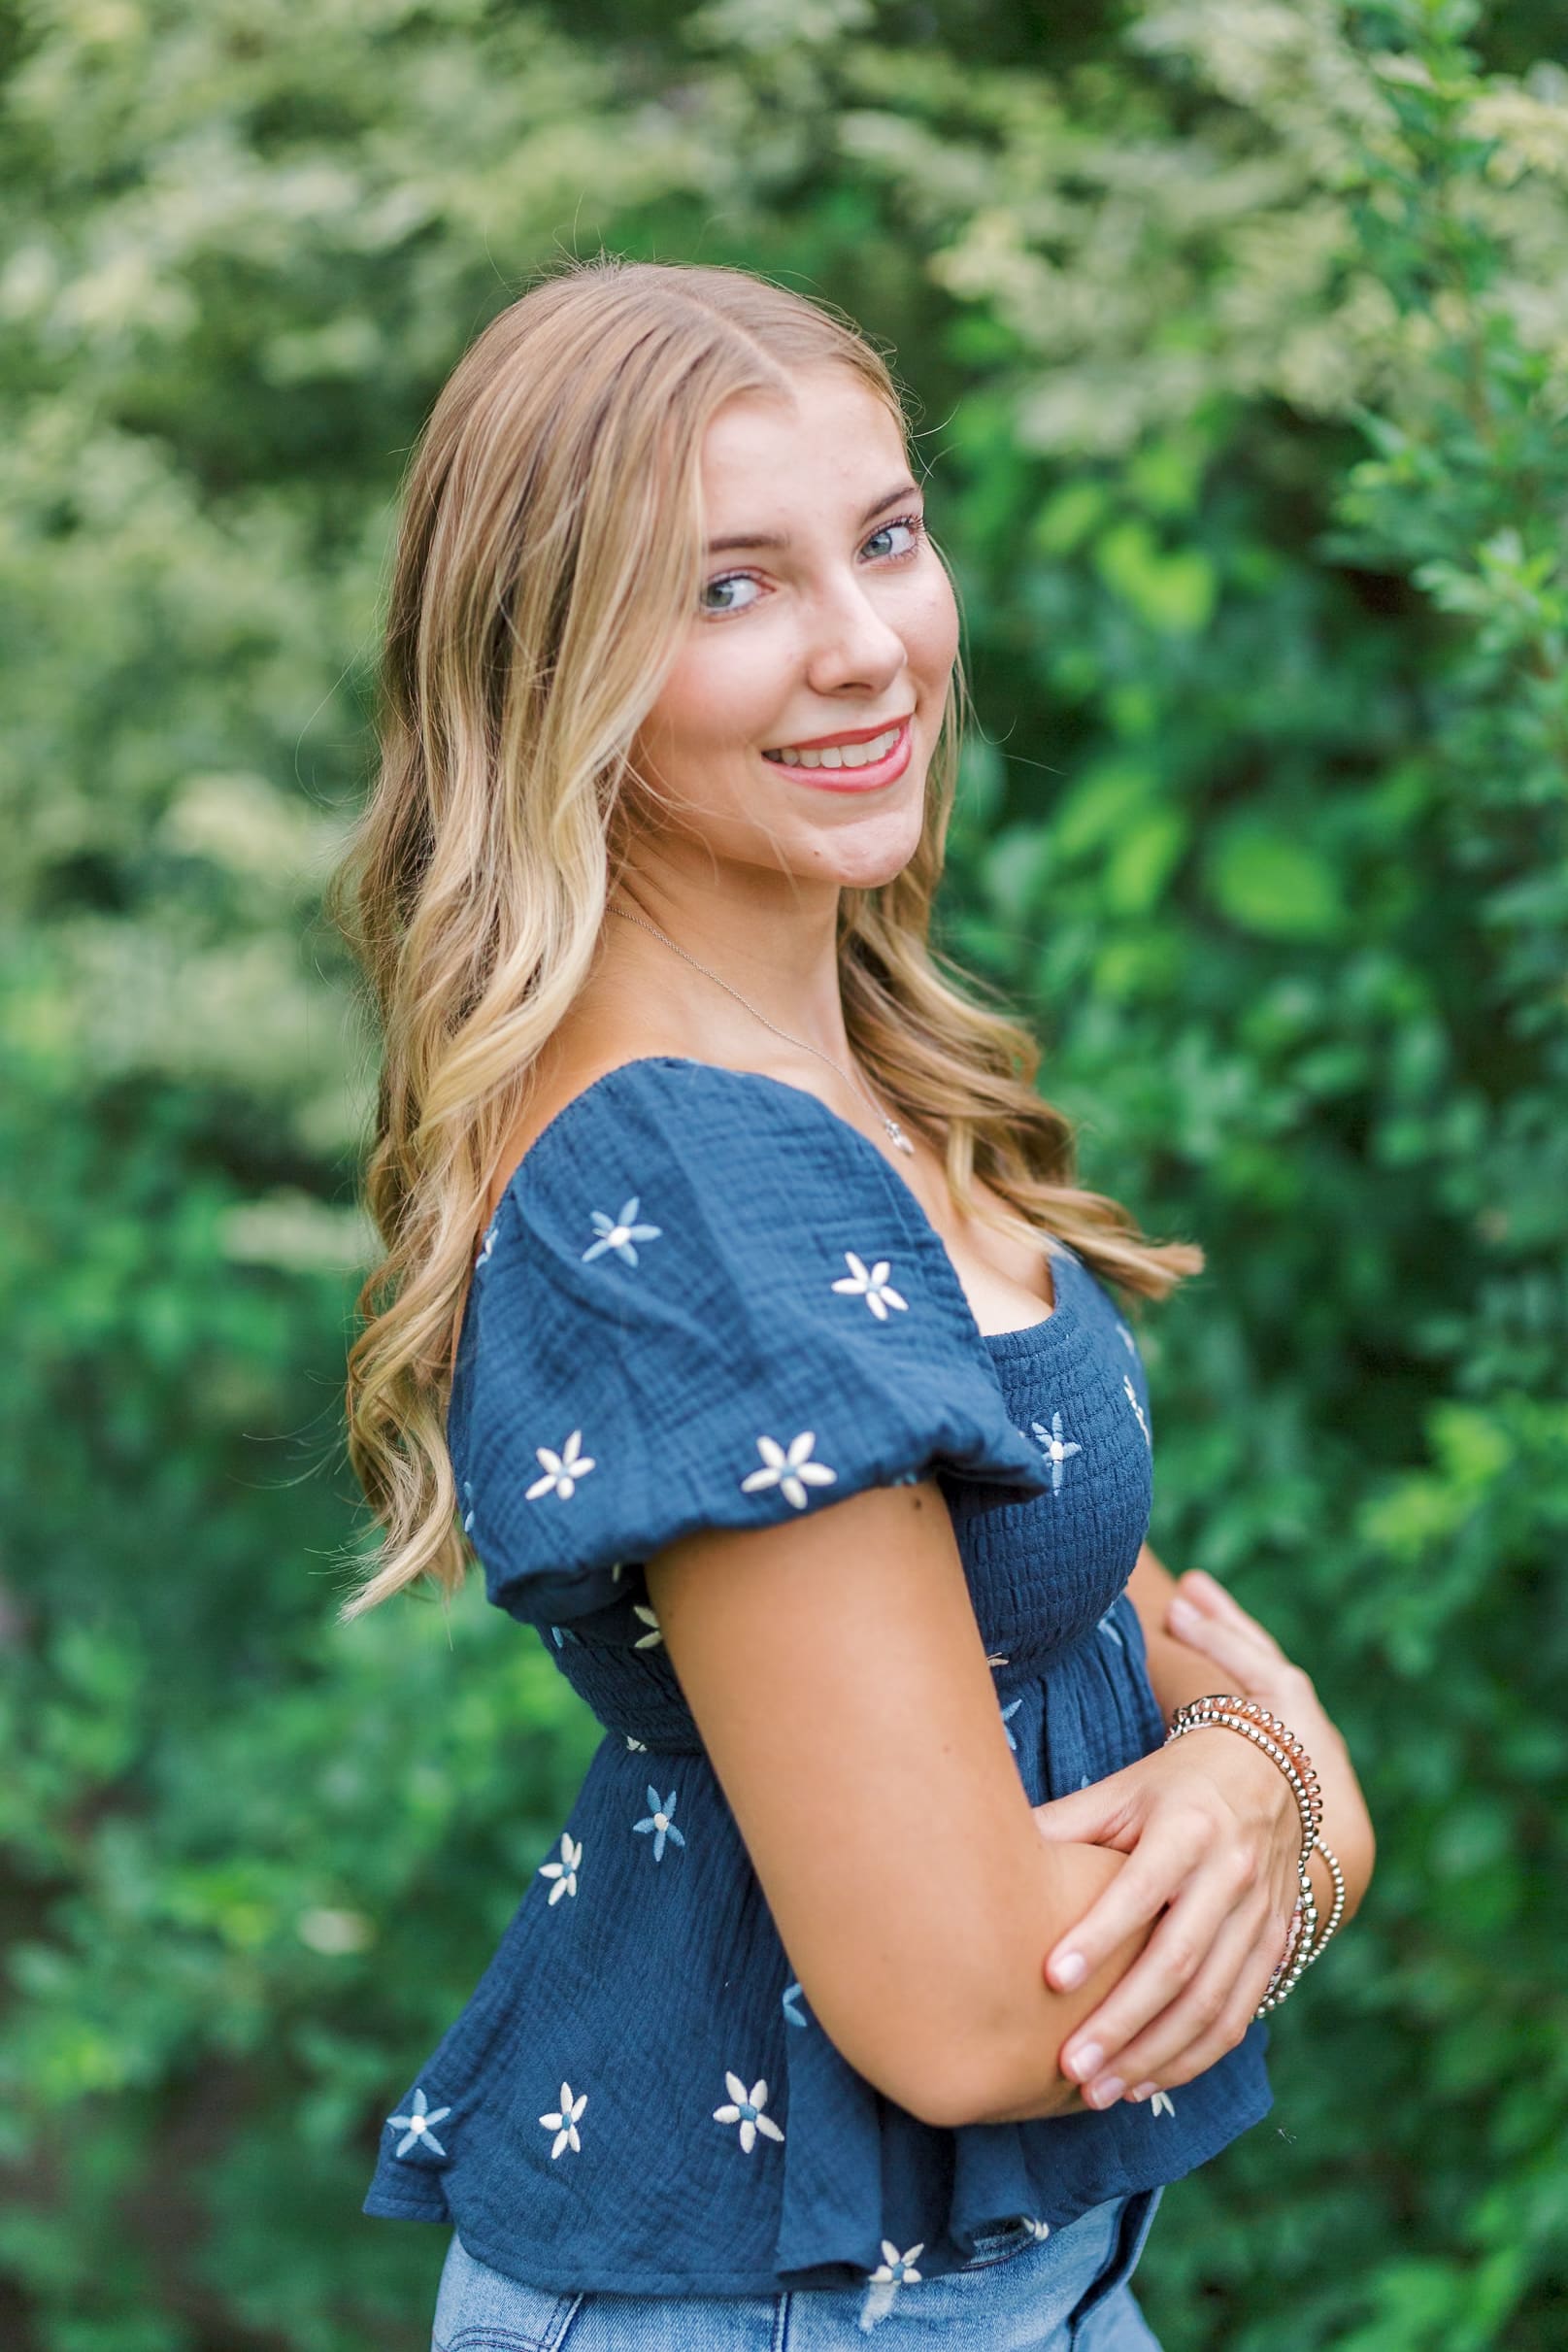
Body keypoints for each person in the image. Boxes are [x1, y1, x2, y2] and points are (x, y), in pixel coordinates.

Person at [332, 255, 1375, 2349]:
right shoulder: (695, 1183)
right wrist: (1308, 1807)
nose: (864, 645)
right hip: (786, 2305)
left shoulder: (848, 1083)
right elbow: (982, 2012)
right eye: (728, 588)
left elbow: (1120, 1627)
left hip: (989, 2288)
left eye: (884, 539)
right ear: (556, 674)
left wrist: (1258, 1775)